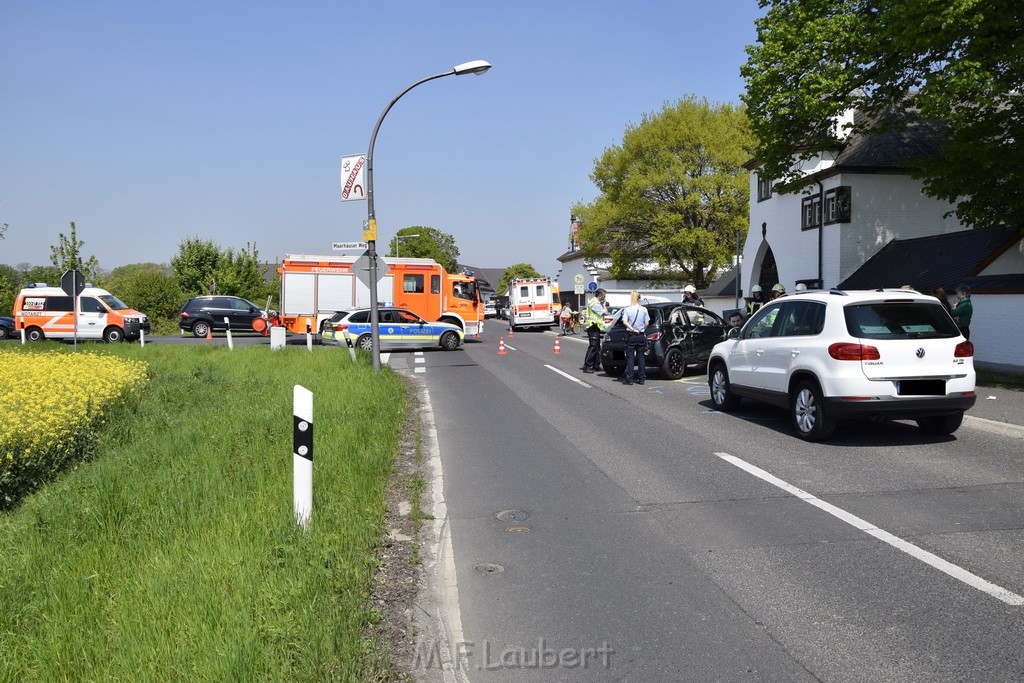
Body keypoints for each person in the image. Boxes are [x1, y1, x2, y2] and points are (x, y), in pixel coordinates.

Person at [620, 291, 651, 385]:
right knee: (641, 357)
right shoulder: (644, 309)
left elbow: (625, 322)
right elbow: (647, 323)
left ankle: (630, 379)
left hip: (632, 335)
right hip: (641, 335)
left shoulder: (627, 309)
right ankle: (642, 378)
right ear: (639, 299)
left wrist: (632, 329)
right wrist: (642, 329)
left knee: (630, 358)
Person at [582, 288, 608, 373]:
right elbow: (605, 313)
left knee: (597, 347)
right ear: (601, 295)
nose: (604, 297)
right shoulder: (595, 304)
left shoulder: (594, 301)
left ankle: (596, 365)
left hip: (595, 326)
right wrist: (604, 305)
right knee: (593, 346)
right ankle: (587, 366)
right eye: (604, 296)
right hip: (592, 326)